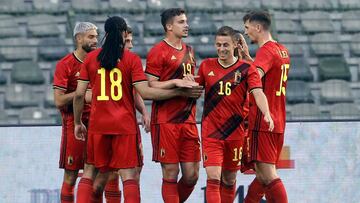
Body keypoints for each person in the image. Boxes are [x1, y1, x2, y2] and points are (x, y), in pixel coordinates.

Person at [73, 16, 202, 203]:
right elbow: (146, 92)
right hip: (124, 126)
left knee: (90, 171)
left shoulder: (91, 59)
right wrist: (178, 92)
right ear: (124, 33)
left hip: (98, 125)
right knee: (129, 176)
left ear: (106, 34)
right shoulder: (131, 59)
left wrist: (78, 122)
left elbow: (79, 95)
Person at [185, 26, 274, 203]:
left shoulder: (246, 68)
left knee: (229, 179)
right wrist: (188, 82)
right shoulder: (206, 66)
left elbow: (257, 92)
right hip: (211, 131)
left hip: (235, 132)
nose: (221, 49)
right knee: (213, 178)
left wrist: (267, 113)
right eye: (218, 45)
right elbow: (196, 88)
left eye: (225, 45)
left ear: (235, 45)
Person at [145, 8, 201, 203]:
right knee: (171, 171)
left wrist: (192, 82)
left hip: (188, 119)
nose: (186, 25)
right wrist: (175, 82)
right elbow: (150, 84)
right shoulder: (157, 51)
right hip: (165, 120)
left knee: (192, 175)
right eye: (181, 22)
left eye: (186, 21)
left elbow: (188, 80)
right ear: (169, 26)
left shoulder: (190, 51)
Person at [239, 10, 291, 203]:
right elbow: (265, 75)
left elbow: (254, 78)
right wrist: (248, 58)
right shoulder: (281, 50)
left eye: (247, 28)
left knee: (268, 175)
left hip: (263, 121)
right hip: (278, 120)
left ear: (258, 27)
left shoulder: (266, 51)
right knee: (262, 175)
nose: (246, 33)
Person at [53, 22, 98, 203]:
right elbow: (59, 100)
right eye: (91, 37)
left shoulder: (99, 62)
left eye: (96, 36)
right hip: (74, 123)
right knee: (71, 177)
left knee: (98, 177)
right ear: (79, 39)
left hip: (97, 122)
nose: (95, 40)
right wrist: (81, 94)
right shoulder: (66, 64)